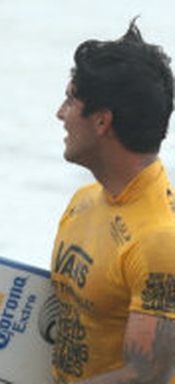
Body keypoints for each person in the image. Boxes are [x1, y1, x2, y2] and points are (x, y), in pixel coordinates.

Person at [52, 20, 175, 383]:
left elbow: (147, 375)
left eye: (72, 100)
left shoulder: (160, 239)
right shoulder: (84, 201)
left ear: (102, 120)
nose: (60, 113)